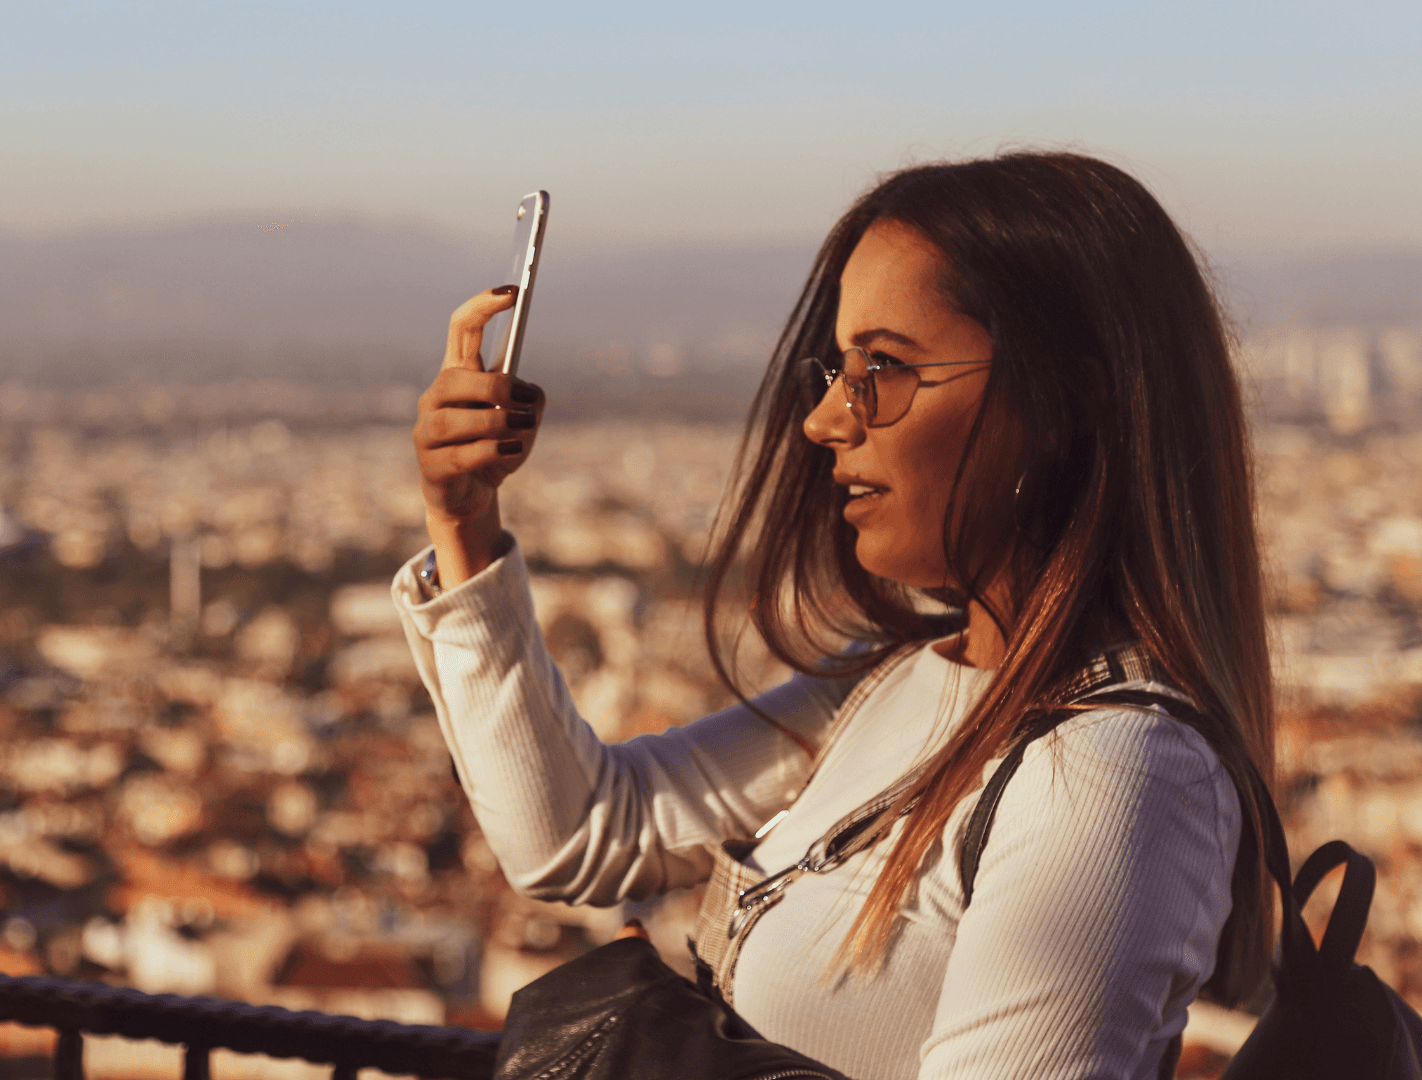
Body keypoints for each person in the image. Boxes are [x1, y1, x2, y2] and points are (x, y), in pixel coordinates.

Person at [394, 152, 1276, 1080]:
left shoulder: (1116, 771)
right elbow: (582, 831)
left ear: (1065, 402)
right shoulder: (893, 681)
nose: (823, 419)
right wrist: (463, 525)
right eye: (839, 369)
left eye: (883, 369)